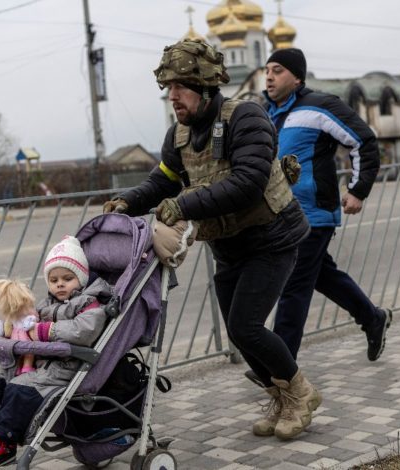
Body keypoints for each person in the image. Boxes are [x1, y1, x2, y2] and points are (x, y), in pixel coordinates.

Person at [103, 38, 319, 440]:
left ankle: (302, 394)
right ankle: (281, 397)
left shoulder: (246, 118)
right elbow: (162, 181)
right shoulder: (179, 135)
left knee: (247, 325)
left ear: (204, 86)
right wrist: (127, 202)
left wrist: (183, 206)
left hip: (272, 237)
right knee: (239, 333)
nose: (173, 97)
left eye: (180, 87)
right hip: (230, 245)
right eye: (168, 89)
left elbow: (248, 183)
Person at [260, 48, 392, 378]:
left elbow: (364, 140)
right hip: (281, 214)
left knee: (293, 284)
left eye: (278, 70)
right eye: (267, 70)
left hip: (313, 213)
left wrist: (358, 189)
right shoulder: (267, 114)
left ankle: (279, 367)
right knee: (321, 275)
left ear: (297, 77)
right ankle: (372, 317)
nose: (269, 76)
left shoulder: (320, 106)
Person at [0, 236, 111, 467]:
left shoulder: (90, 305)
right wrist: (12, 328)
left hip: (66, 366)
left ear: (81, 278)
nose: (60, 284)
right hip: (37, 363)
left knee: (20, 389)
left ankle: (4, 443)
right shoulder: (45, 305)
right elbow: (26, 322)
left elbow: (83, 331)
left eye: (67, 279)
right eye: (54, 279)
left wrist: (45, 331)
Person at [0, 278, 39, 375]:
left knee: (23, 354)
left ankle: (22, 367)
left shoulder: (13, 318)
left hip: (16, 338)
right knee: (27, 353)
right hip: (23, 337)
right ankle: (25, 367)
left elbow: (8, 331)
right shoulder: (26, 314)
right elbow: (34, 320)